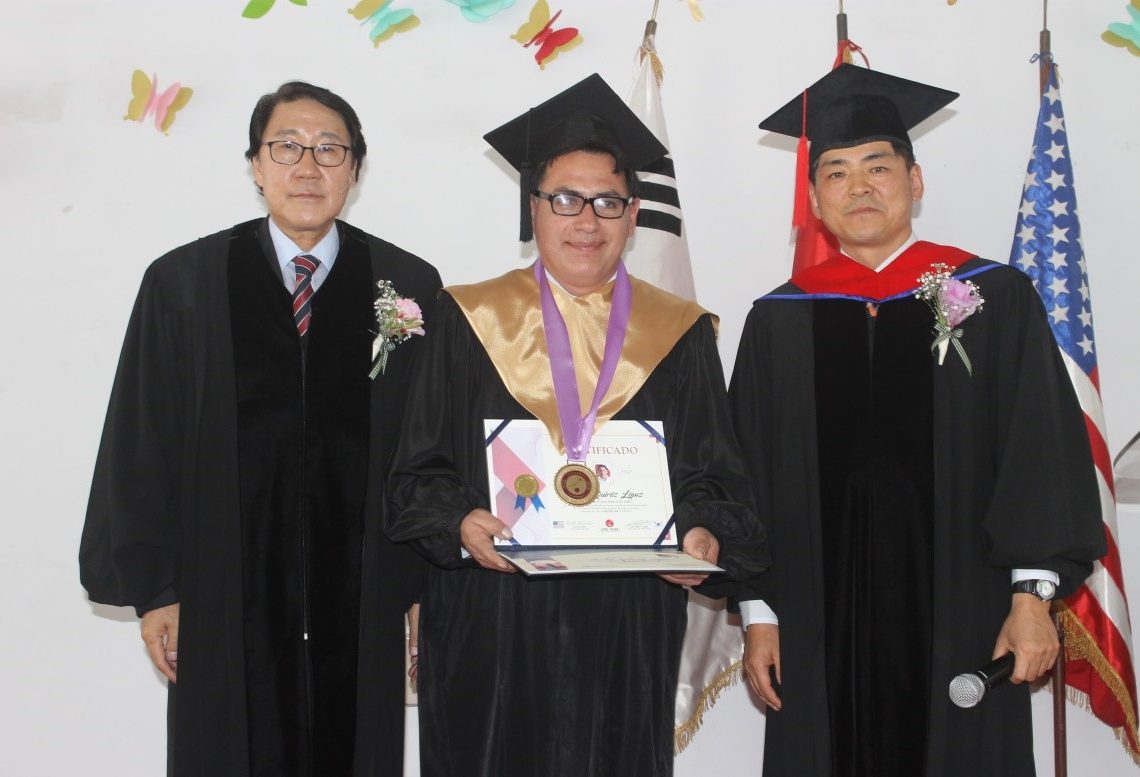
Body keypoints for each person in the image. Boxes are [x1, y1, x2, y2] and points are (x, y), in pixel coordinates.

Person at [385, 74, 769, 777]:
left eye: (607, 202)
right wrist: (459, 523)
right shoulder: (467, 319)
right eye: (565, 199)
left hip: (626, 621)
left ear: (633, 214)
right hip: (491, 617)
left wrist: (702, 532)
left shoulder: (680, 333)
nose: (586, 221)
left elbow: (716, 477)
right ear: (532, 208)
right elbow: (417, 475)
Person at [731, 64, 1106, 777]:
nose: (859, 186)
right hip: (815, 623)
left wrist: (1032, 597)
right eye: (836, 173)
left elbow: (1038, 451)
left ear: (915, 179)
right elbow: (748, 476)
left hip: (966, 615)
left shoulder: (991, 297)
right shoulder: (778, 320)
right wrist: (758, 613)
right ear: (814, 198)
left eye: (878, 166)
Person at [79, 81, 441, 777]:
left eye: (330, 149)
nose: (308, 166)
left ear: (355, 169)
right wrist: (158, 589)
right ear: (255, 164)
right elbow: (141, 439)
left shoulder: (406, 285)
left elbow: (427, 450)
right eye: (286, 147)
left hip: (363, 599)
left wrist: (425, 588)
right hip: (220, 593)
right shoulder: (184, 283)